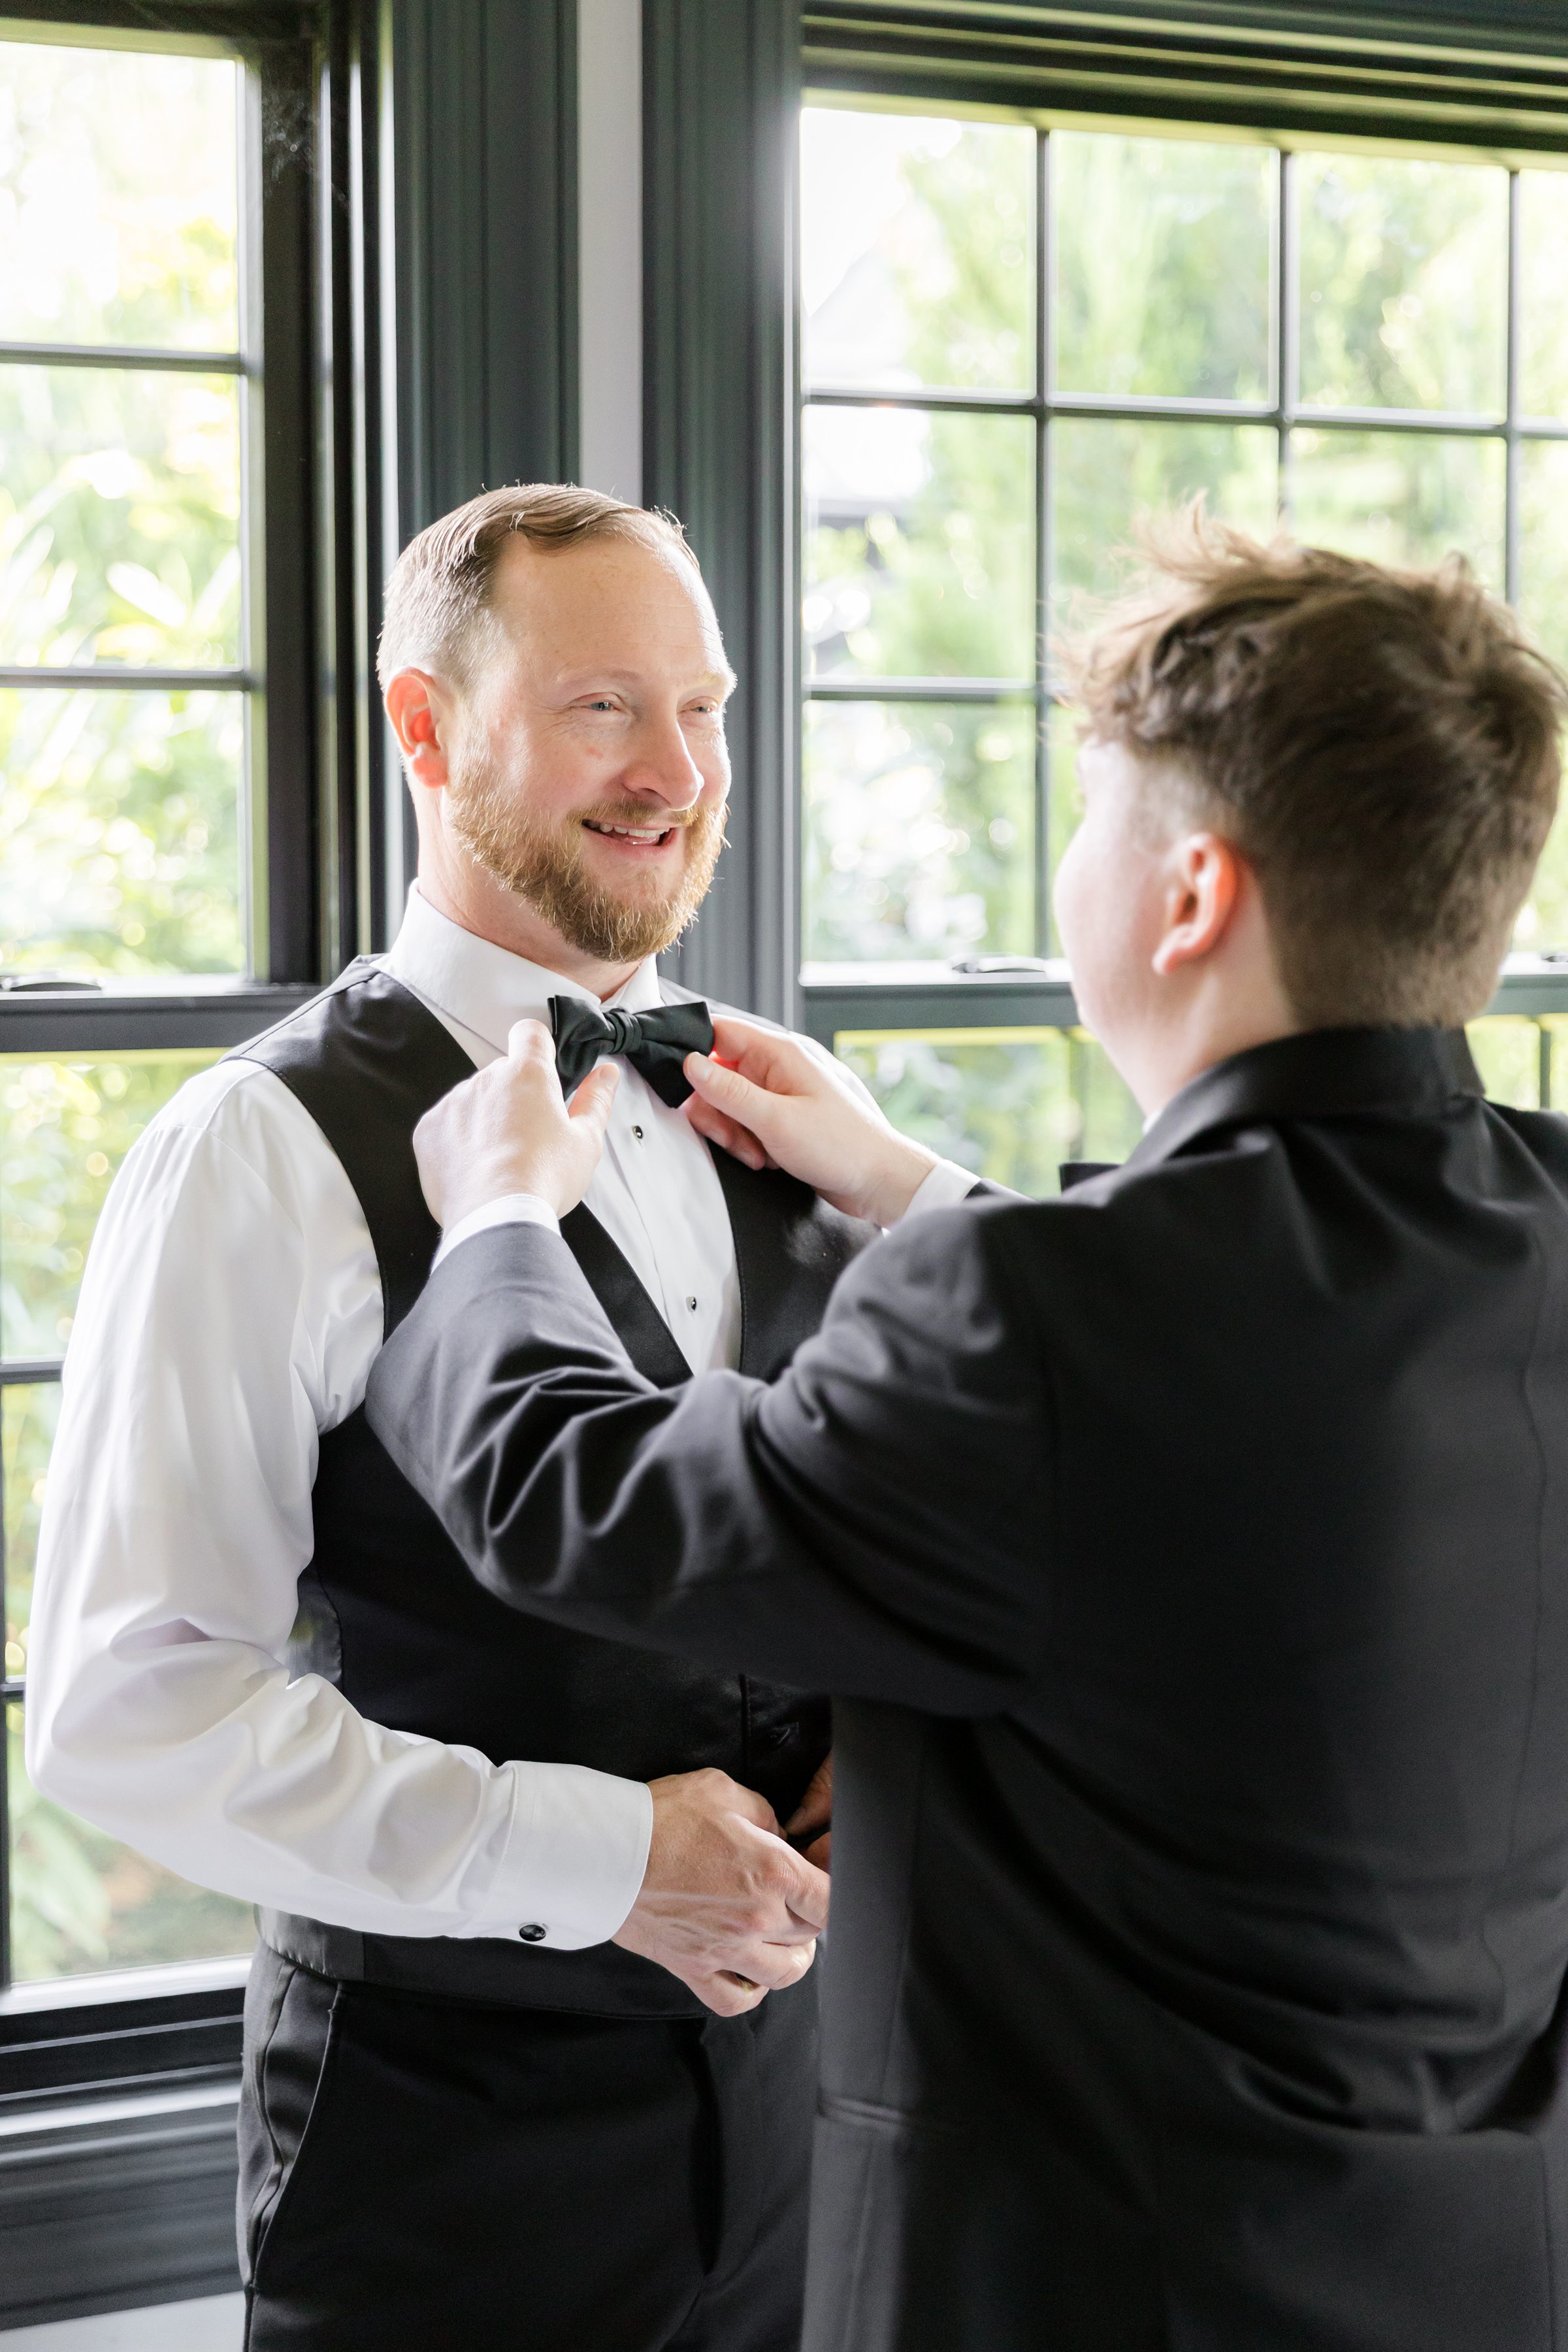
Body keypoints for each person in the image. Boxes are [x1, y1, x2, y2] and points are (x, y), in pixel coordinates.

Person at [365, 519, 1568, 2351]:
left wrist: (502, 1222)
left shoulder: (1038, 1322)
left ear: (1188, 897)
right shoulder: (1536, 1231)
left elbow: (573, 1503)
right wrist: (922, 1190)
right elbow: (1214, 1426)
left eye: (1089, 822)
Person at [25, 485, 973, 2351]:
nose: (678, 770)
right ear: (424, 727)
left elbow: (931, 1520)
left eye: (703, 707)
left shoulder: (789, 1108)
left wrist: (892, 1755)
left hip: (809, 2146)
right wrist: (608, 1860)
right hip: (442, 2174)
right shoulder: (254, 1154)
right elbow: (129, 1717)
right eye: (603, 707)